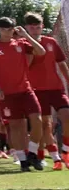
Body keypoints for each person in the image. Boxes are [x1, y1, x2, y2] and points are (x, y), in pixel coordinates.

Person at [0, 16, 46, 172]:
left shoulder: (21, 43)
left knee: (37, 120)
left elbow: (41, 51)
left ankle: (32, 152)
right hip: (7, 94)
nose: (8, 32)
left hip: (26, 90)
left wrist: (26, 36)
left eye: (10, 29)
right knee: (16, 126)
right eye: (4, 29)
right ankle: (23, 160)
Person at [21, 12, 69, 169]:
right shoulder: (23, 44)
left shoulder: (51, 42)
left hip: (56, 88)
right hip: (36, 89)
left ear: (42, 26)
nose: (35, 30)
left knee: (66, 116)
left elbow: (62, 64)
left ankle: (66, 151)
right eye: (31, 27)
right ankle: (48, 157)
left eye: (37, 26)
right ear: (27, 28)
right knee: (45, 125)